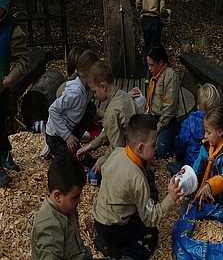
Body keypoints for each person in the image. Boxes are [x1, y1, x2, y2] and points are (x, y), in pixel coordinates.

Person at [92, 114, 184, 260]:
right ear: (140, 148)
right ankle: (125, 255)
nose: (156, 147)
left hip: (99, 217)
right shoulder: (137, 180)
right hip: (113, 229)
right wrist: (171, 198)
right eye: (153, 145)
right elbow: (151, 219)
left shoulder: (118, 152)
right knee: (150, 234)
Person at [30, 152, 110, 260]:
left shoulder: (66, 209)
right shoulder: (49, 226)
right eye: (75, 197)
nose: (79, 200)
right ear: (58, 196)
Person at [76, 60, 137, 174]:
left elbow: (117, 148)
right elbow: (109, 131)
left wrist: (102, 161)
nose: (94, 95)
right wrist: (91, 146)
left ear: (102, 86)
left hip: (132, 155)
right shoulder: (123, 95)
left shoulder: (111, 112)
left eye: (94, 91)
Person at [0, 0, 29, 186]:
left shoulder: (13, 30)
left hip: (1, 87)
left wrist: (11, 77)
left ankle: (4, 157)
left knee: (1, 124)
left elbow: (22, 60)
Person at [45, 50, 98, 158]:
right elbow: (53, 110)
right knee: (79, 160)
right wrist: (67, 136)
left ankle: (74, 141)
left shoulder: (88, 88)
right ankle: (54, 148)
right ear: (89, 75)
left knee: (91, 108)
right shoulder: (75, 92)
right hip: (56, 136)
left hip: (70, 128)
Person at [167, 83, 221, 175]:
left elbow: (180, 145)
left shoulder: (189, 122)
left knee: (171, 166)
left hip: (190, 165)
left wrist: (179, 157)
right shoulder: (218, 123)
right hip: (211, 168)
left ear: (198, 102)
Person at [192, 107, 223, 208]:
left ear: (220, 132)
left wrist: (210, 186)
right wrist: (188, 179)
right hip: (207, 195)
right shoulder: (206, 146)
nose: (205, 136)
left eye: (208, 132)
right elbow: (197, 168)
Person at [136, 0, 170, 81]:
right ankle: (151, 73)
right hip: (156, 20)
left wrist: (141, 11)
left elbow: (137, 3)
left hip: (145, 19)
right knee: (154, 47)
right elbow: (161, 9)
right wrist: (167, 14)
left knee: (147, 45)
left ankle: (146, 70)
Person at [145, 44, 179, 159]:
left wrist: (157, 129)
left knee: (161, 151)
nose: (149, 69)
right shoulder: (155, 75)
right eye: (148, 65)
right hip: (152, 116)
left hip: (165, 120)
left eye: (151, 65)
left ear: (160, 62)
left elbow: (169, 108)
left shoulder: (170, 76)